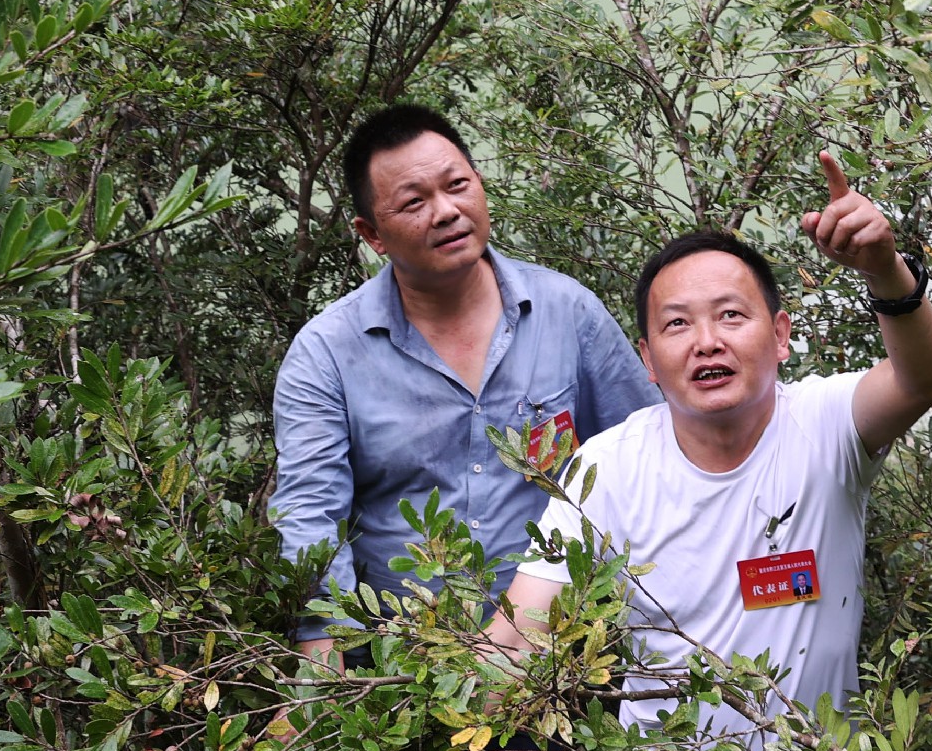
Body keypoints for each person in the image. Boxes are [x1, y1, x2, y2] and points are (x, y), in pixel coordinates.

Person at [487, 152, 932, 751]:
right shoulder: (609, 467)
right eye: (677, 324)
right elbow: (522, 632)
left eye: (732, 315)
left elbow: (924, 377)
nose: (706, 341)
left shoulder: (826, 426)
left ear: (781, 336)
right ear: (648, 360)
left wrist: (885, 269)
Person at [271, 103, 657, 710]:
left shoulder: (568, 313)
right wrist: (327, 679)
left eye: (457, 185)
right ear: (372, 235)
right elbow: (310, 515)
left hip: (566, 655)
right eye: (413, 202)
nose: (447, 211)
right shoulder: (327, 353)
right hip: (405, 674)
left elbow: (651, 454)